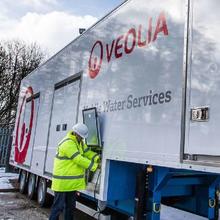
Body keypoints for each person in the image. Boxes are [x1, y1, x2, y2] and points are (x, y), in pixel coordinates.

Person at [49, 123, 100, 220]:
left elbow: (87, 152)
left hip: (71, 184)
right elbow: (78, 159)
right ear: (76, 134)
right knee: (58, 207)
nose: (82, 139)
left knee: (70, 208)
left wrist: (97, 158)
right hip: (62, 183)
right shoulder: (68, 143)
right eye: (81, 137)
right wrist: (94, 166)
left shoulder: (79, 142)